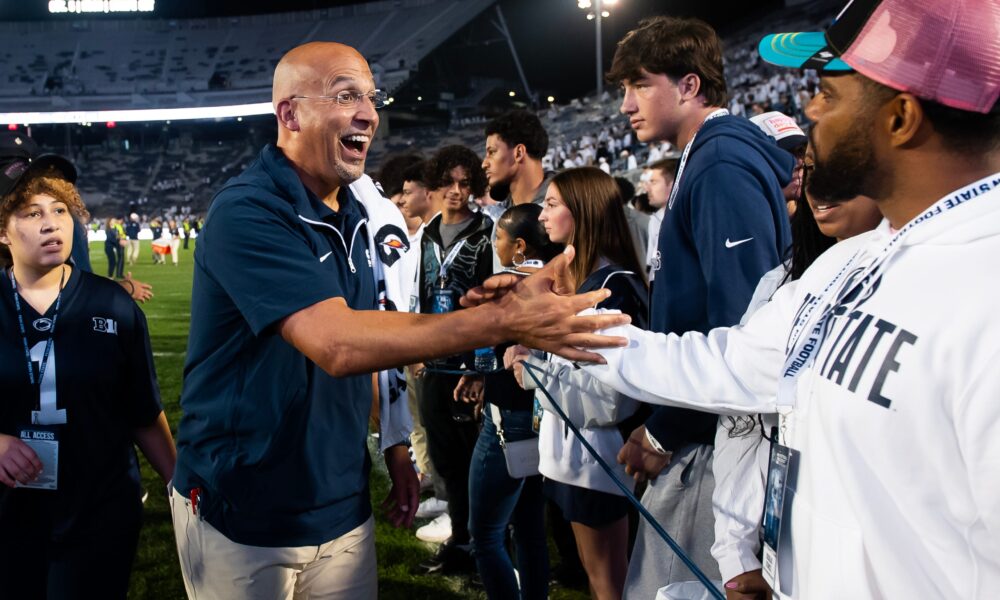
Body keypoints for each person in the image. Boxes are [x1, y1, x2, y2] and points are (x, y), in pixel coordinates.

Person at [559, 1, 1000, 597]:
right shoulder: (851, 259)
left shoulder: (982, 290)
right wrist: (563, 326)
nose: (809, 107)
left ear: (901, 118)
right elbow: (733, 365)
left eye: (829, 91)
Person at [171, 41, 628, 600]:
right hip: (242, 505)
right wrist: (502, 322)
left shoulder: (358, 214)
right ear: (289, 114)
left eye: (370, 95)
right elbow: (336, 342)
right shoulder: (248, 209)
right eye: (345, 95)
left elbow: (376, 329)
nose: (368, 112)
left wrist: (394, 447)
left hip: (340, 498)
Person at [610, 15, 794, 595]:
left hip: (712, 435)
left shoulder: (720, 162)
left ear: (688, 86)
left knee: (665, 589)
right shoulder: (703, 157)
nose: (624, 106)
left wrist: (666, 430)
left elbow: (744, 324)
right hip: (701, 422)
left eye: (639, 85)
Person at [0, 155, 175, 598]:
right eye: (32, 213)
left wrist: (180, 483)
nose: (51, 223)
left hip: (101, 507)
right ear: (3, 231)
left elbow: (142, 410)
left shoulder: (114, 306)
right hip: (9, 510)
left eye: (60, 210)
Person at [710, 147, 882, 598]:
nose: (816, 186)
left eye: (838, 166)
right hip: (785, 542)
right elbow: (740, 419)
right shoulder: (784, 284)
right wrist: (736, 549)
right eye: (807, 169)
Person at [509, 168, 649, 600]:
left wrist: (530, 372)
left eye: (552, 205)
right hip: (575, 459)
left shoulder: (610, 288)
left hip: (597, 462)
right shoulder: (590, 278)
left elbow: (611, 400)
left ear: (583, 212)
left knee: (609, 582)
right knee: (597, 576)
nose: (542, 215)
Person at [466, 202, 561, 600]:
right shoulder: (558, 279)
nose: (495, 245)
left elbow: (484, 339)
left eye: (499, 239)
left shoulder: (509, 285)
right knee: (529, 529)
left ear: (519, 246)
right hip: (543, 416)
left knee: (486, 535)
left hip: (511, 419)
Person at [413, 145, 493, 568]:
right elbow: (422, 294)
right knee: (445, 460)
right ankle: (461, 540)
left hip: (468, 367)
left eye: (464, 183)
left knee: (473, 462)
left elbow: (492, 307)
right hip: (434, 362)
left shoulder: (486, 234)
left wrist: (481, 369)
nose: (456, 191)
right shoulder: (426, 233)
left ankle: (485, 545)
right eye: (448, 182)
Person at [481, 110, 552, 272]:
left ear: (519, 152)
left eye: (492, 152)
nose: (484, 163)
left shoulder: (567, 208)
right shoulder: (496, 215)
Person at [642, 157, 677, 285]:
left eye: (654, 182)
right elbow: (652, 266)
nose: (647, 189)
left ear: (673, 183)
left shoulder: (692, 215)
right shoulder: (654, 220)